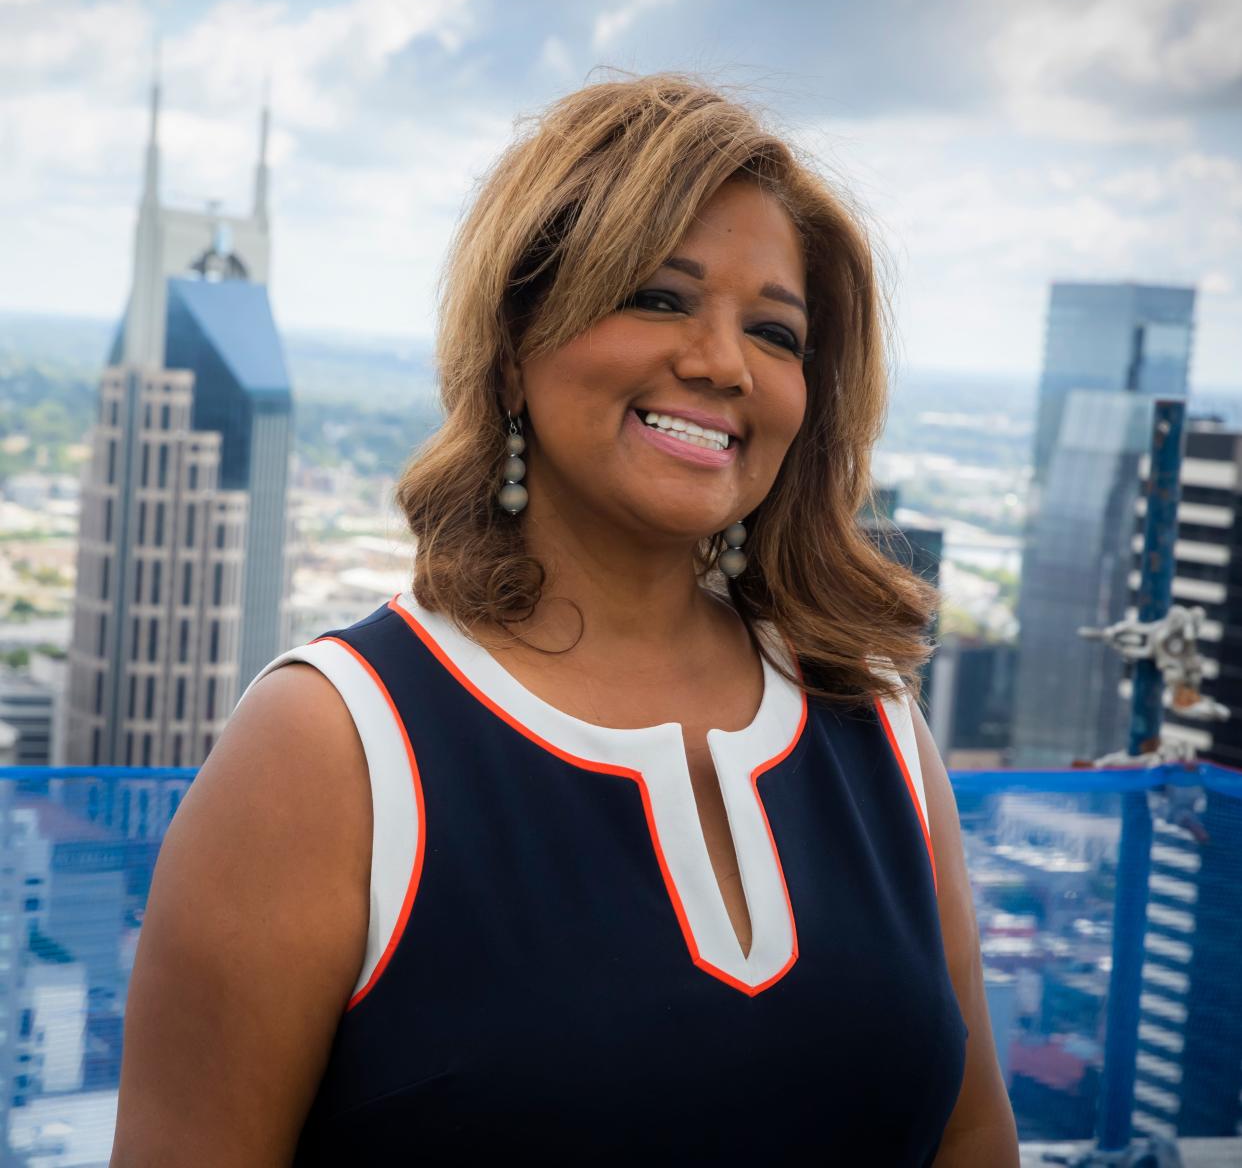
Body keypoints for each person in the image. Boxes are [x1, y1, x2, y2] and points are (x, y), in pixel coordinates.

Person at [112, 74, 1019, 1166]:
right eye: (659, 296)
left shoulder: (878, 729)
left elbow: (971, 1139)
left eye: (776, 332)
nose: (723, 363)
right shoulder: (333, 747)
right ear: (511, 345)